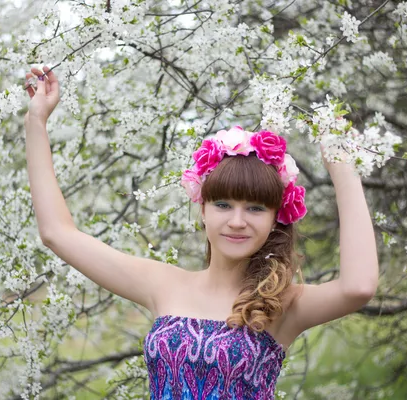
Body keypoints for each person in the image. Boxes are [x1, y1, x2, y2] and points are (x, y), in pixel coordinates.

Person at [24, 66, 379, 399]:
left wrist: (343, 167)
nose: (237, 221)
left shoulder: (284, 303)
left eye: (255, 208)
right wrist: (36, 121)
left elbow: (358, 287)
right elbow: (57, 233)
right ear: (203, 210)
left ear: (276, 218)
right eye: (223, 205)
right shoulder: (163, 284)